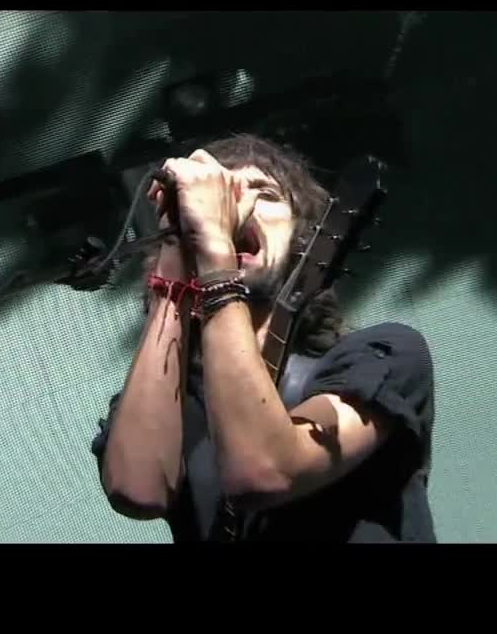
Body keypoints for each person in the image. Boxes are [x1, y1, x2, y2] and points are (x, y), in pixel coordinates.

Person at [91, 133, 436, 541]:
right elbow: (137, 491)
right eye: (222, 195)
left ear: (302, 240)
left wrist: (217, 255)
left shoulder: (381, 356)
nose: (233, 210)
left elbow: (265, 471)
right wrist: (173, 252)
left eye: (264, 194)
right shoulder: (179, 398)